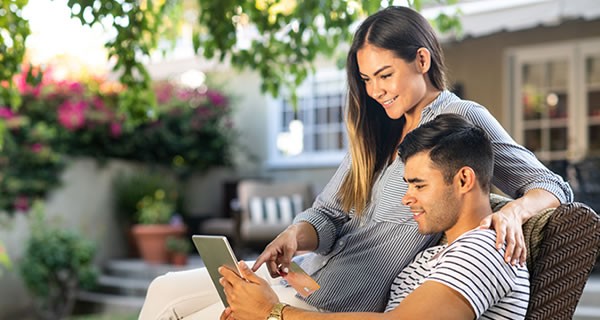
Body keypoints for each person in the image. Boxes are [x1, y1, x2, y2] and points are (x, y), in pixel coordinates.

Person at [138, 6, 571, 319]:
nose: (377, 91)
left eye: (385, 75)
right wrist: (294, 236)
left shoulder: (460, 121)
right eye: (367, 80)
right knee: (161, 289)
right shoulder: (377, 131)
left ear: (421, 60)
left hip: (339, 300)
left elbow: (551, 185)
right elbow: (328, 213)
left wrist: (515, 209)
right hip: (304, 277)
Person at [219, 113, 530, 320]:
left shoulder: (488, 250)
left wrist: (273, 313)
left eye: (419, 185)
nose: (407, 197)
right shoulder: (435, 253)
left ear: (464, 180)